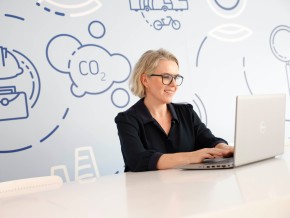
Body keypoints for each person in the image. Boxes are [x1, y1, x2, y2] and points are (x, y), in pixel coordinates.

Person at [115, 48, 234, 172]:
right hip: (147, 189)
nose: (174, 85)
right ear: (145, 80)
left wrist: (226, 149)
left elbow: (209, 141)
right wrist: (191, 157)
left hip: (186, 188)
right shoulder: (127, 120)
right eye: (166, 77)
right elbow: (137, 160)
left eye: (176, 78)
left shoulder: (186, 112)